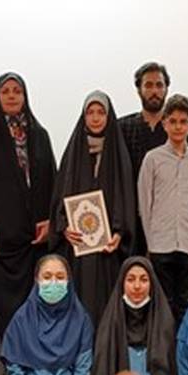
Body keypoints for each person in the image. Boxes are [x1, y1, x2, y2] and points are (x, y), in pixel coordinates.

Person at [0, 72, 57, 331]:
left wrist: (49, 220)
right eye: (5, 91)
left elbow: (51, 178)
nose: (12, 96)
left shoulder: (39, 135)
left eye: (17, 91)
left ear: (25, 96)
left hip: (32, 241)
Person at [50, 91, 136, 325]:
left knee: (106, 308)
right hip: (78, 251)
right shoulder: (73, 153)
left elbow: (126, 198)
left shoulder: (119, 154)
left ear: (109, 116)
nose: (96, 118)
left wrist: (120, 233)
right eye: (90, 112)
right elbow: (59, 198)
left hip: (108, 252)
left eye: (101, 112)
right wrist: (64, 227)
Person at [138, 94, 188, 325]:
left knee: (187, 302)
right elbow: (145, 203)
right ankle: (163, 346)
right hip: (160, 244)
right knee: (163, 303)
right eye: (172, 121)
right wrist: (150, 242)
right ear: (164, 124)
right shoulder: (152, 159)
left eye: (183, 122)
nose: (178, 127)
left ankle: (183, 346)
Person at [117, 61, 188, 256]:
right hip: (130, 221)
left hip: (168, 225)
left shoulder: (177, 129)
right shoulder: (123, 127)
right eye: (148, 85)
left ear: (166, 89)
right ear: (139, 90)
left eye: (159, 85)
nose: (154, 91)